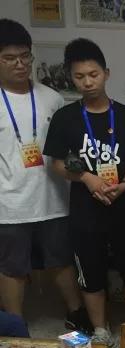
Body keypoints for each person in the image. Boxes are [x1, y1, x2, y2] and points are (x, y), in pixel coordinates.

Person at [44, 38, 125, 347]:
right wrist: (87, 178)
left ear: (106, 73)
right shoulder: (65, 118)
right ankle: (100, 329)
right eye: (79, 77)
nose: (88, 82)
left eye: (93, 74)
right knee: (91, 271)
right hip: (86, 210)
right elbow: (56, 163)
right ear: (71, 78)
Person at [0, 19, 88, 330]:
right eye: (10, 58)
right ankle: (16, 326)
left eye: (25, 56)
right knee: (12, 267)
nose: (20, 64)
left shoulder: (52, 98)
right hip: (10, 203)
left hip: (53, 198)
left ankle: (76, 312)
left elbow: (66, 148)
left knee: (61, 259)